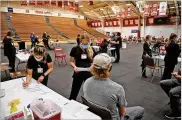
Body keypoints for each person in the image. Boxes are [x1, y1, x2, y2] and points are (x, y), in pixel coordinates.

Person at [83, 53, 145, 120]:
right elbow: (122, 113)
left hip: (94, 116)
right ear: (109, 67)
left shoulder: (87, 82)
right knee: (140, 109)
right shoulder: (117, 88)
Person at [69, 35, 94, 100]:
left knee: (90, 91)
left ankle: (90, 105)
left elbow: (93, 62)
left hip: (89, 73)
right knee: (74, 91)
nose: (85, 43)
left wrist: (92, 66)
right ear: (81, 41)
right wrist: (74, 67)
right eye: (84, 42)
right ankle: (71, 102)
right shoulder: (75, 49)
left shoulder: (91, 49)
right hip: (78, 72)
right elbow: (71, 61)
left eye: (87, 42)